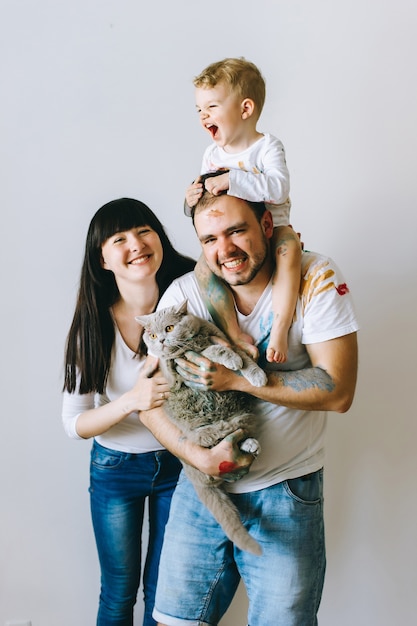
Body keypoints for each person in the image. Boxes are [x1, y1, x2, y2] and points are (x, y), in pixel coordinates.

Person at [138, 181, 359, 626]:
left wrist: (239, 380)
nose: (226, 250)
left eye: (237, 231)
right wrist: (196, 454)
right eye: (210, 239)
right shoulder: (184, 294)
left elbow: (338, 392)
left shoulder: (315, 277)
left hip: (286, 491)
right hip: (199, 489)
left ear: (265, 223)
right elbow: (149, 402)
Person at [62, 198, 248, 626]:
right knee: (119, 591)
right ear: (102, 258)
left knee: (167, 593)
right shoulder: (92, 325)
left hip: (181, 464)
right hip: (115, 469)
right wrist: (131, 401)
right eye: (119, 238)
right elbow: (74, 424)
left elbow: (242, 268)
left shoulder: (194, 293)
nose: (136, 244)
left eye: (144, 231)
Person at [185, 57, 302, 364]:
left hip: (275, 227)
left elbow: (279, 188)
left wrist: (233, 180)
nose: (203, 115)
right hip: (236, 235)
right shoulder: (212, 154)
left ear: (245, 109)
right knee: (202, 271)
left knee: (290, 254)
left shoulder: (266, 147)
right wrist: (192, 197)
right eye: (199, 109)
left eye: (211, 106)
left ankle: (280, 326)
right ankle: (232, 331)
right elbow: (206, 205)